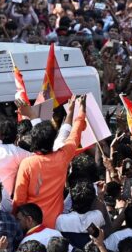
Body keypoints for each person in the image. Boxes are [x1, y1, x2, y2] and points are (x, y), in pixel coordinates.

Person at [14, 95, 87, 228]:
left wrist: (16, 221)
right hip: (56, 225)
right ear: (53, 141)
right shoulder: (63, 156)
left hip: (32, 226)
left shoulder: (27, 164)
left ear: (33, 141)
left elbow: (19, 200)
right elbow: (74, 134)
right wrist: (80, 111)